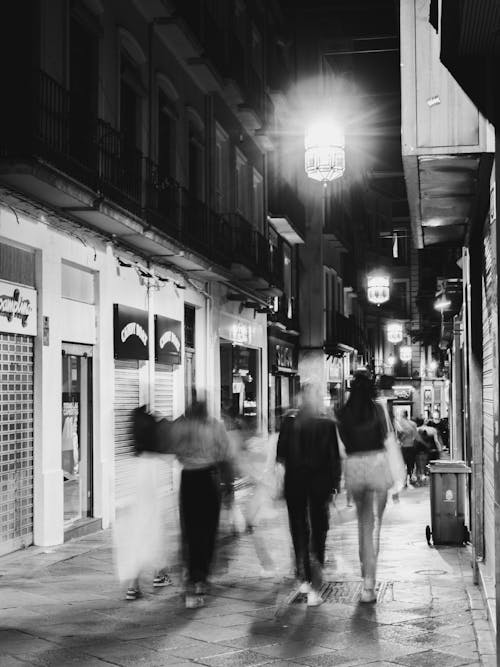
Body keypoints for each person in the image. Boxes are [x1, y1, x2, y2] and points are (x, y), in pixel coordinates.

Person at [276, 383, 341, 607]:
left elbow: (280, 455)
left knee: (298, 529)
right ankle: (314, 584)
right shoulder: (327, 424)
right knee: (319, 531)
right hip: (319, 484)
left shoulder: (289, 422)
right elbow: (334, 459)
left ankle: (303, 577)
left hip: (294, 482)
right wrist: (334, 486)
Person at [168, 399, 234, 609]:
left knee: (190, 529)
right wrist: (228, 486)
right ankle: (201, 578)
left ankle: (191, 576)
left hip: (188, 479)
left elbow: (174, 450)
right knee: (208, 530)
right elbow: (225, 454)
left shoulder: (182, 425)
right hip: (208, 478)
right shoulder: (215, 426)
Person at [337, 372, 393, 604]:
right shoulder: (378, 409)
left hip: (355, 467)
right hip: (377, 464)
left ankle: (365, 580)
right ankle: (370, 582)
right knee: (376, 527)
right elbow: (386, 436)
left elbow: (343, 441)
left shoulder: (342, 412)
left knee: (363, 525)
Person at [115, 405, 173, 601]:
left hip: (131, 518)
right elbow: (162, 496)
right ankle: (159, 574)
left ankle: (134, 586)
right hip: (150, 515)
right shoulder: (157, 463)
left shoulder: (127, 463)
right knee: (154, 543)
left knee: (135, 548)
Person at [396, 410, 418, 487]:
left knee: (402, 464)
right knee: (410, 464)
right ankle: (410, 477)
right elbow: (416, 436)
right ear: (407, 415)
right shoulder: (413, 424)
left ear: (402, 415)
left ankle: (404, 480)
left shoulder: (399, 424)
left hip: (402, 447)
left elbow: (398, 436)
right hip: (411, 446)